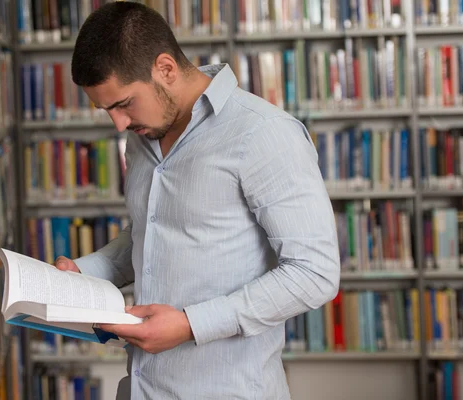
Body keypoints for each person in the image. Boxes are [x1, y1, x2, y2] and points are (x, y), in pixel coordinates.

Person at [54, 2, 340, 399]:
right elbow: (151, 231)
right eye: (107, 110)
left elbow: (316, 273)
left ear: (166, 69)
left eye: (123, 104)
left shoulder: (263, 134)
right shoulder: (142, 137)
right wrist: (86, 273)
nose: (118, 124)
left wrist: (191, 324)